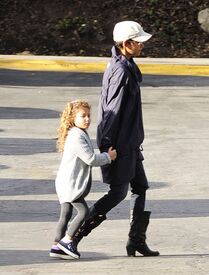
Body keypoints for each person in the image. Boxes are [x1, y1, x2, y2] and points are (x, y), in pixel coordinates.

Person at [74, 21, 160, 257]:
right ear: (126, 44)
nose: (142, 45)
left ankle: (136, 241)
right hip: (120, 144)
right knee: (118, 193)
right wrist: (108, 148)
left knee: (140, 187)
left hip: (131, 143)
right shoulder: (120, 71)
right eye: (139, 42)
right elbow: (111, 112)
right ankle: (72, 237)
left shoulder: (127, 65)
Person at [49, 100, 117, 259]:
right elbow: (91, 159)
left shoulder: (76, 133)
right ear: (72, 118)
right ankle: (67, 241)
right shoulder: (77, 137)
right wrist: (109, 156)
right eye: (82, 116)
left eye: (88, 116)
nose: (87, 119)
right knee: (84, 211)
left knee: (65, 214)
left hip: (65, 182)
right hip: (71, 184)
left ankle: (56, 246)